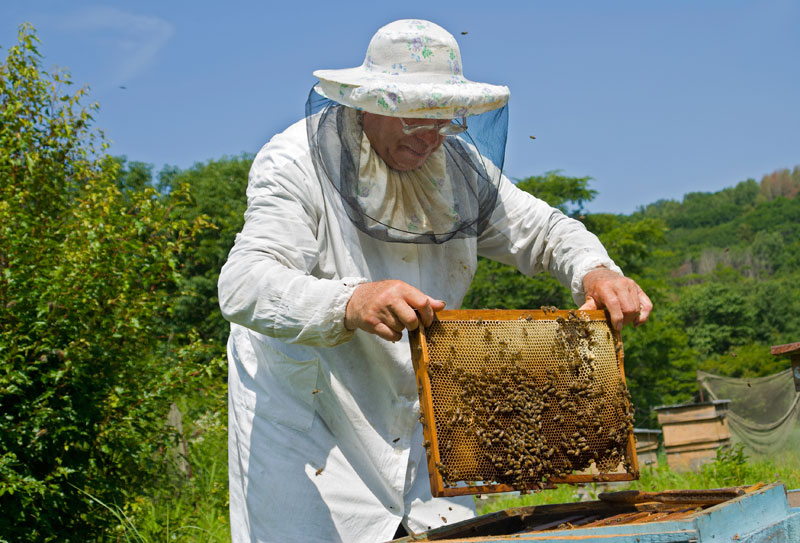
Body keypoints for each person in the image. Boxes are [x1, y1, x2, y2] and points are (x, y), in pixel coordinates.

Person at [218, 19, 651, 543]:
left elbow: (543, 229)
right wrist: (352, 301)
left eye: (444, 120)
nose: (430, 136)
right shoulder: (294, 163)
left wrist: (595, 269)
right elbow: (244, 283)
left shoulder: (457, 166)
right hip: (309, 420)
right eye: (414, 119)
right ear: (369, 102)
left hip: (422, 423)